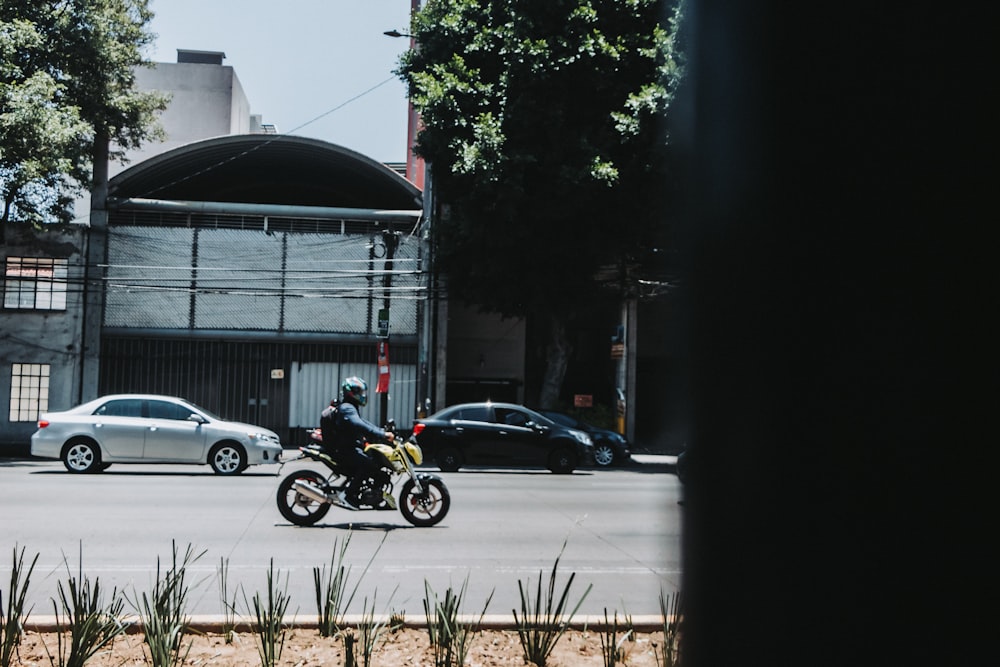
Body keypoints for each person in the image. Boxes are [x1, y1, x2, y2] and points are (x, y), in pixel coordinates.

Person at [325, 376, 394, 509]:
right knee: (369, 465)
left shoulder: (350, 407)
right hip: (346, 450)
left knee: (372, 462)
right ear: (351, 392)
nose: (362, 395)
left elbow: (364, 423)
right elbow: (359, 424)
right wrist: (382, 434)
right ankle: (349, 495)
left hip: (349, 447)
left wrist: (380, 431)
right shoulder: (347, 408)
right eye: (360, 392)